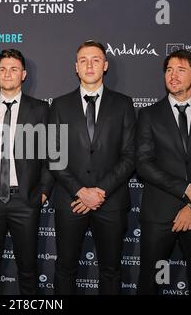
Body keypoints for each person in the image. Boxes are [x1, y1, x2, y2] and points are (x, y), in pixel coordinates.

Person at [136, 49, 191, 295]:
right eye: (169, 70)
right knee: (149, 284)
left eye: (181, 70)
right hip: (159, 215)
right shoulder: (148, 115)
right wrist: (187, 191)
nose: (173, 76)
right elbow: (144, 164)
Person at [48, 40, 136, 294]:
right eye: (83, 60)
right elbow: (54, 156)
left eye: (95, 59)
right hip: (70, 201)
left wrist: (99, 191)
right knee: (65, 268)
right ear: (76, 67)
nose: (89, 65)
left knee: (110, 269)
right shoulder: (59, 105)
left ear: (105, 65)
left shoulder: (123, 104)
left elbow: (130, 156)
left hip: (111, 201)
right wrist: (81, 191)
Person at [0, 49, 53, 294]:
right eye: (3, 69)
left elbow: (53, 154)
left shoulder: (41, 110)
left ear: (23, 74)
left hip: (25, 200)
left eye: (14, 69)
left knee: (28, 268)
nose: (7, 73)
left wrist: (43, 191)